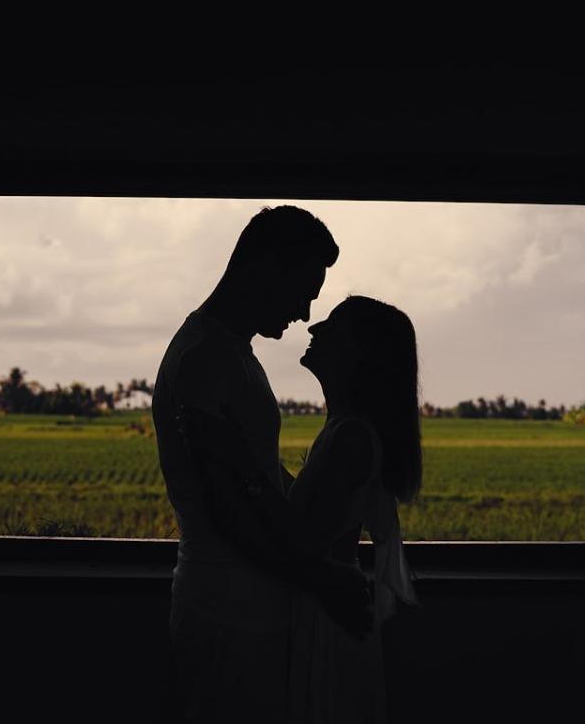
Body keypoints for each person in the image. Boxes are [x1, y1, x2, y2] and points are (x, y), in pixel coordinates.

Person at [152, 205, 371, 724]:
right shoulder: (205, 358)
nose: (302, 313)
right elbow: (228, 512)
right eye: (304, 291)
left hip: (248, 606)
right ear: (266, 267)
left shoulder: (231, 354)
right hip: (226, 611)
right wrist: (322, 578)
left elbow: (256, 476)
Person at [180, 295, 422, 724]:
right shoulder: (342, 429)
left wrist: (241, 465)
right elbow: (311, 507)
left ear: (359, 352)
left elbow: (303, 537)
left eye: (332, 324)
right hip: (322, 610)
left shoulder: (350, 437)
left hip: (324, 619)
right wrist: (253, 459)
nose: (313, 328)